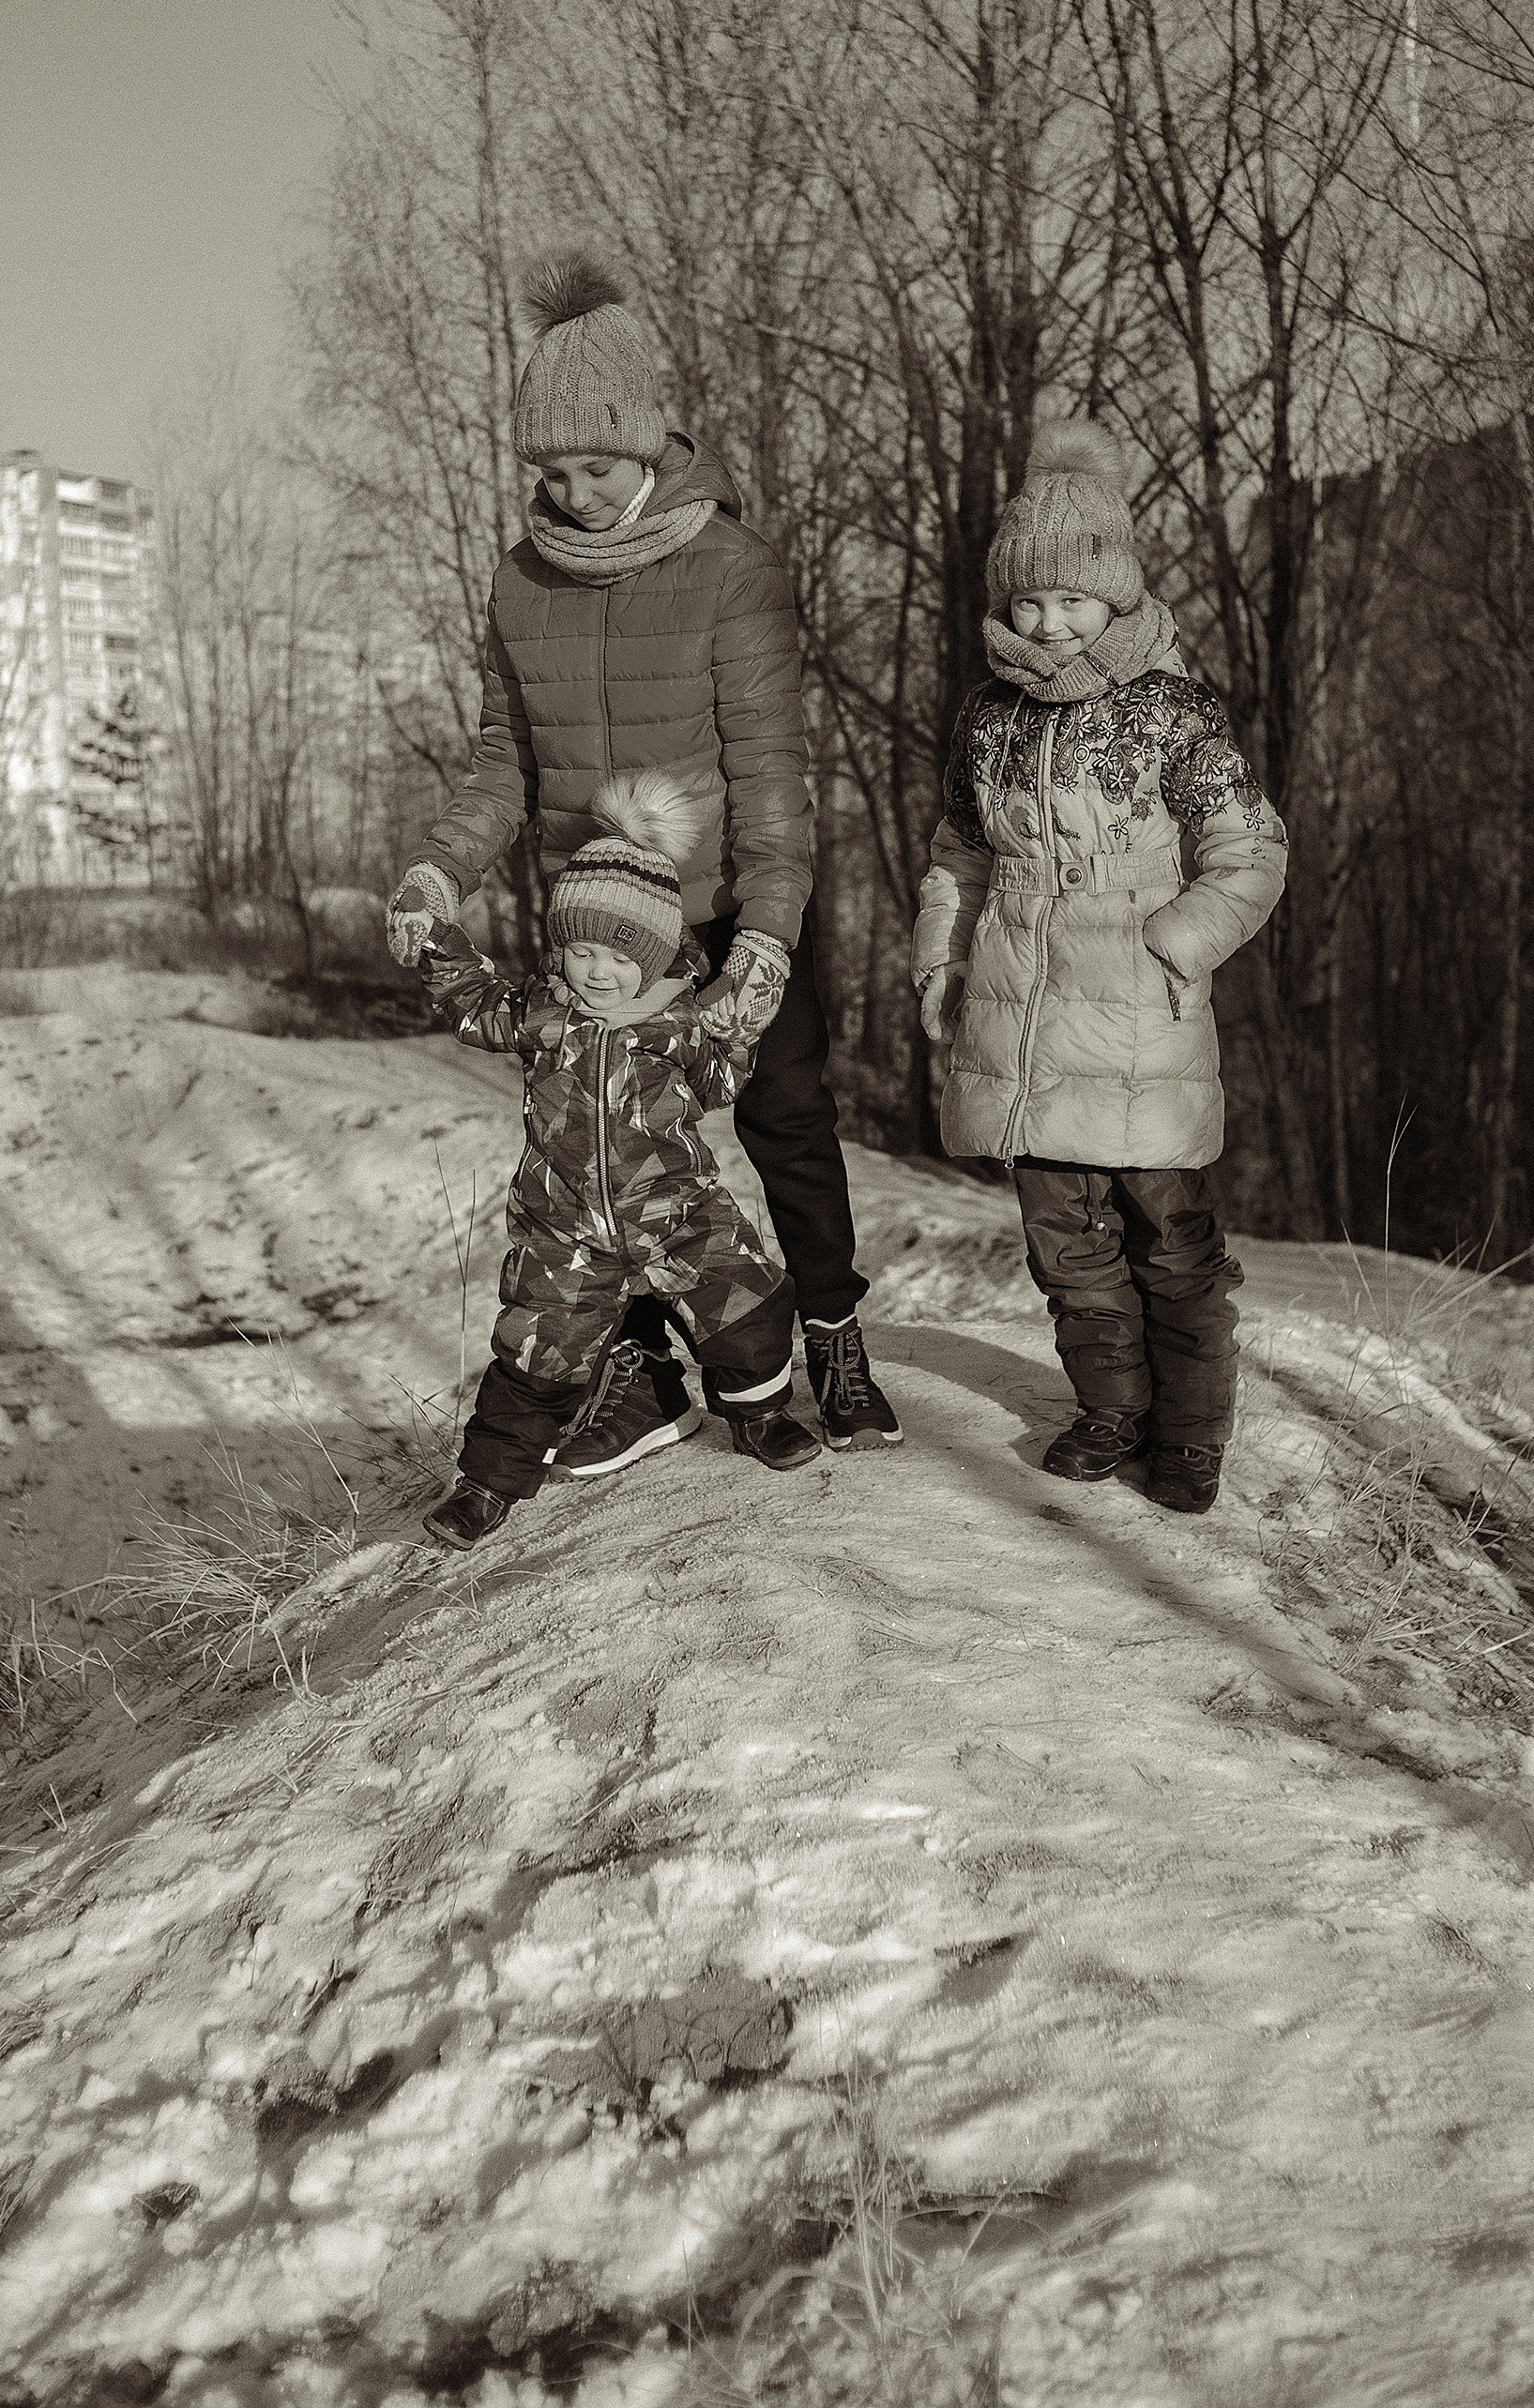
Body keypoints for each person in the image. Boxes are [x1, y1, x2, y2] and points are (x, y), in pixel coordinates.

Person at [387, 254, 899, 1455]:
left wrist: (767, 933)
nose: (571, 494)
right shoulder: (520, 582)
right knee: (591, 1150)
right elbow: (503, 760)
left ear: (653, 444)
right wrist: (437, 870)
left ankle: (827, 1329)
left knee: (785, 1120)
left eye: (597, 467)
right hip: (599, 923)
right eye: (550, 473)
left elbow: (772, 769)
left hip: (729, 899)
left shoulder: (731, 567)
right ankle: (640, 1376)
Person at [912, 420, 1288, 1515]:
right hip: (1020, 1029)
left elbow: (1249, 850)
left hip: (1136, 1025)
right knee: (1066, 1253)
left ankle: (1187, 1435)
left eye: (1070, 601)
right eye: (1028, 602)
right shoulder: (987, 719)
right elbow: (958, 856)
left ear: (1114, 597)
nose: (1048, 623)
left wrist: (1170, 944)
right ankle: (1110, 1410)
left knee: (1168, 1248)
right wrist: (939, 961)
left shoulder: (1171, 713)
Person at [418, 775, 822, 1551]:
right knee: (535, 1356)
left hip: (677, 1212)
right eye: (581, 949)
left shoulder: (681, 1023)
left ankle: (762, 1416)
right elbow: (474, 1002)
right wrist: (437, 936)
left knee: (747, 1306)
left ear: (659, 954)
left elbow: (721, 1084)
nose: (597, 971)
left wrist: (736, 1038)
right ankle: (487, 1486)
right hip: (564, 1228)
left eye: (619, 954)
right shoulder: (544, 1012)